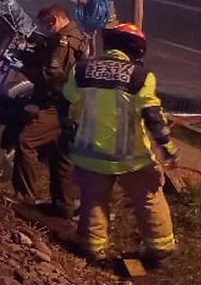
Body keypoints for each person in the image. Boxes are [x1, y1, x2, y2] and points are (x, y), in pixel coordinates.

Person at [63, 22, 178, 266]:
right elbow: (152, 115)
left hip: (89, 154)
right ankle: (161, 250)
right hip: (131, 157)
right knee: (149, 199)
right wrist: (167, 147)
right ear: (136, 50)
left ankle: (93, 250)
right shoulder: (141, 76)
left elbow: (68, 103)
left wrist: (69, 135)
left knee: (93, 201)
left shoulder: (81, 70)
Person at [13, 5, 83, 214]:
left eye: (46, 25)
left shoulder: (63, 42)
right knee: (60, 154)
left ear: (54, 20)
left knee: (26, 141)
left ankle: (25, 198)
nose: (45, 29)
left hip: (59, 104)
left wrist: (22, 67)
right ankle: (64, 205)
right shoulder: (74, 37)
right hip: (72, 105)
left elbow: (52, 77)